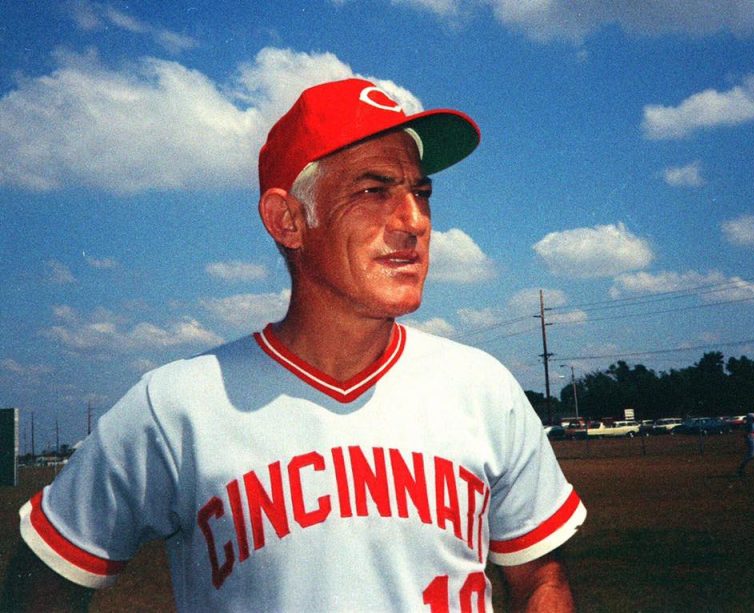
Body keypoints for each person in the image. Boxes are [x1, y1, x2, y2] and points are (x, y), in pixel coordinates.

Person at [5, 78, 586, 612]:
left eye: (421, 192)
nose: (415, 221)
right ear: (287, 219)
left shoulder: (481, 387)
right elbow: (46, 578)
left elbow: (540, 577)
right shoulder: (176, 406)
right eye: (374, 190)